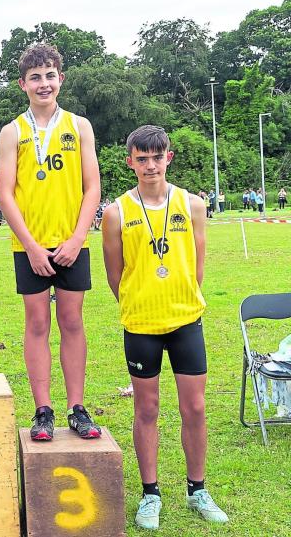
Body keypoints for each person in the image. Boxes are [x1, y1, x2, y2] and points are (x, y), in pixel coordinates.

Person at [101, 125, 228, 530]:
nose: (151, 165)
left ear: (168, 158)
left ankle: (197, 490)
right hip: (141, 324)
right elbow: (115, 274)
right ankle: (150, 494)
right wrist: (139, 302)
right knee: (147, 409)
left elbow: (197, 266)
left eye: (157, 157)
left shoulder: (192, 205)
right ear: (130, 163)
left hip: (186, 321)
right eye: (142, 159)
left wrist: (181, 299)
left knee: (195, 407)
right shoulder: (116, 213)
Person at [0, 43, 102, 441]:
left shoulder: (80, 126)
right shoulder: (13, 132)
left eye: (50, 76)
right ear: (22, 84)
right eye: (35, 78)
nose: (44, 84)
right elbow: (6, 194)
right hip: (30, 248)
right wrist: (31, 246)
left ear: (61, 78)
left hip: (72, 244)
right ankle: (43, 410)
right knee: (37, 323)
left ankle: (77, 408)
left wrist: (78, 238)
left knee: (72, 322)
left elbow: (92, 187)